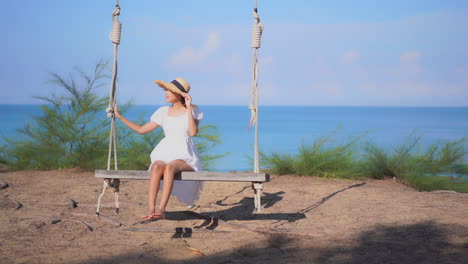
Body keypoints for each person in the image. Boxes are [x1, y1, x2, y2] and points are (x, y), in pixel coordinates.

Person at [113, 77, 204, 220]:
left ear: (180, 94)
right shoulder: (163, 112)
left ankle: (161, 209)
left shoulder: (193, 111)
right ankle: (151, 209)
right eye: (166, 90)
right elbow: (141, 130)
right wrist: (119, 117)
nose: (166, 93)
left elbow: (193, 133)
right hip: (166, 151)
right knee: (156, 166)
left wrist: (188, 106)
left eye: (170, 90)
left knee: (170, 168)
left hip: (185, 156)